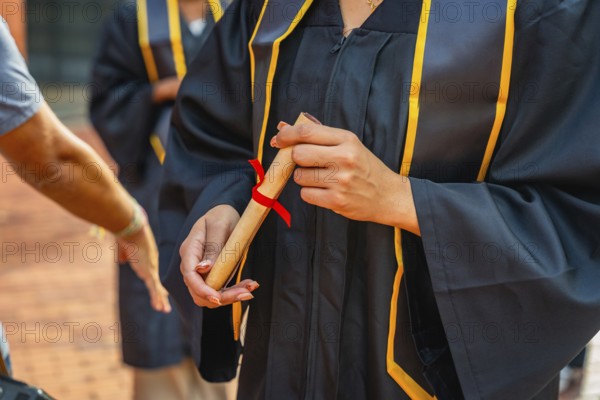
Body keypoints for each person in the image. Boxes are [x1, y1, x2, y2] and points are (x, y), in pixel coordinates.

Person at [159, 0, 600, 398]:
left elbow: (578, 215)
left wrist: (404, 200)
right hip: (279, 371)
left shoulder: (542, 11)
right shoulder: (265, 7)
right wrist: (221, 206)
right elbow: (213, 141)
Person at [0, 14, 170, 373]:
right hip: (151, 181)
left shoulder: (228, 15)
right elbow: (50, 156)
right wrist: (132, 224)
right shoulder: (133, 17)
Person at [89, 1, 234, 399]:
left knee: (214, 287)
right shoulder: (131, 17)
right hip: (153, 181)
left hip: (221, 181)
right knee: (154, 301)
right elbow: (106, 100)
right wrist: (165, 89)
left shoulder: (237, 11)